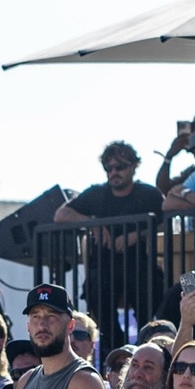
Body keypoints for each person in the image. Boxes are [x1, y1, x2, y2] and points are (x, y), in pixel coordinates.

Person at [54, 141, 166, 350]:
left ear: (134, 166)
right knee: (95, 289)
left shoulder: (148, 194)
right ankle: (112, 347)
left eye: (120, 167)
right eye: (109, 168)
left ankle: (146, 343)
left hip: (139, 266)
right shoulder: (96, 194)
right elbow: (61, 214)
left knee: (150, 287)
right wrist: (93, 224)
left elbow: (166, 219)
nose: (114, 172)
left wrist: (137, 235)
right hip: (104, 267)